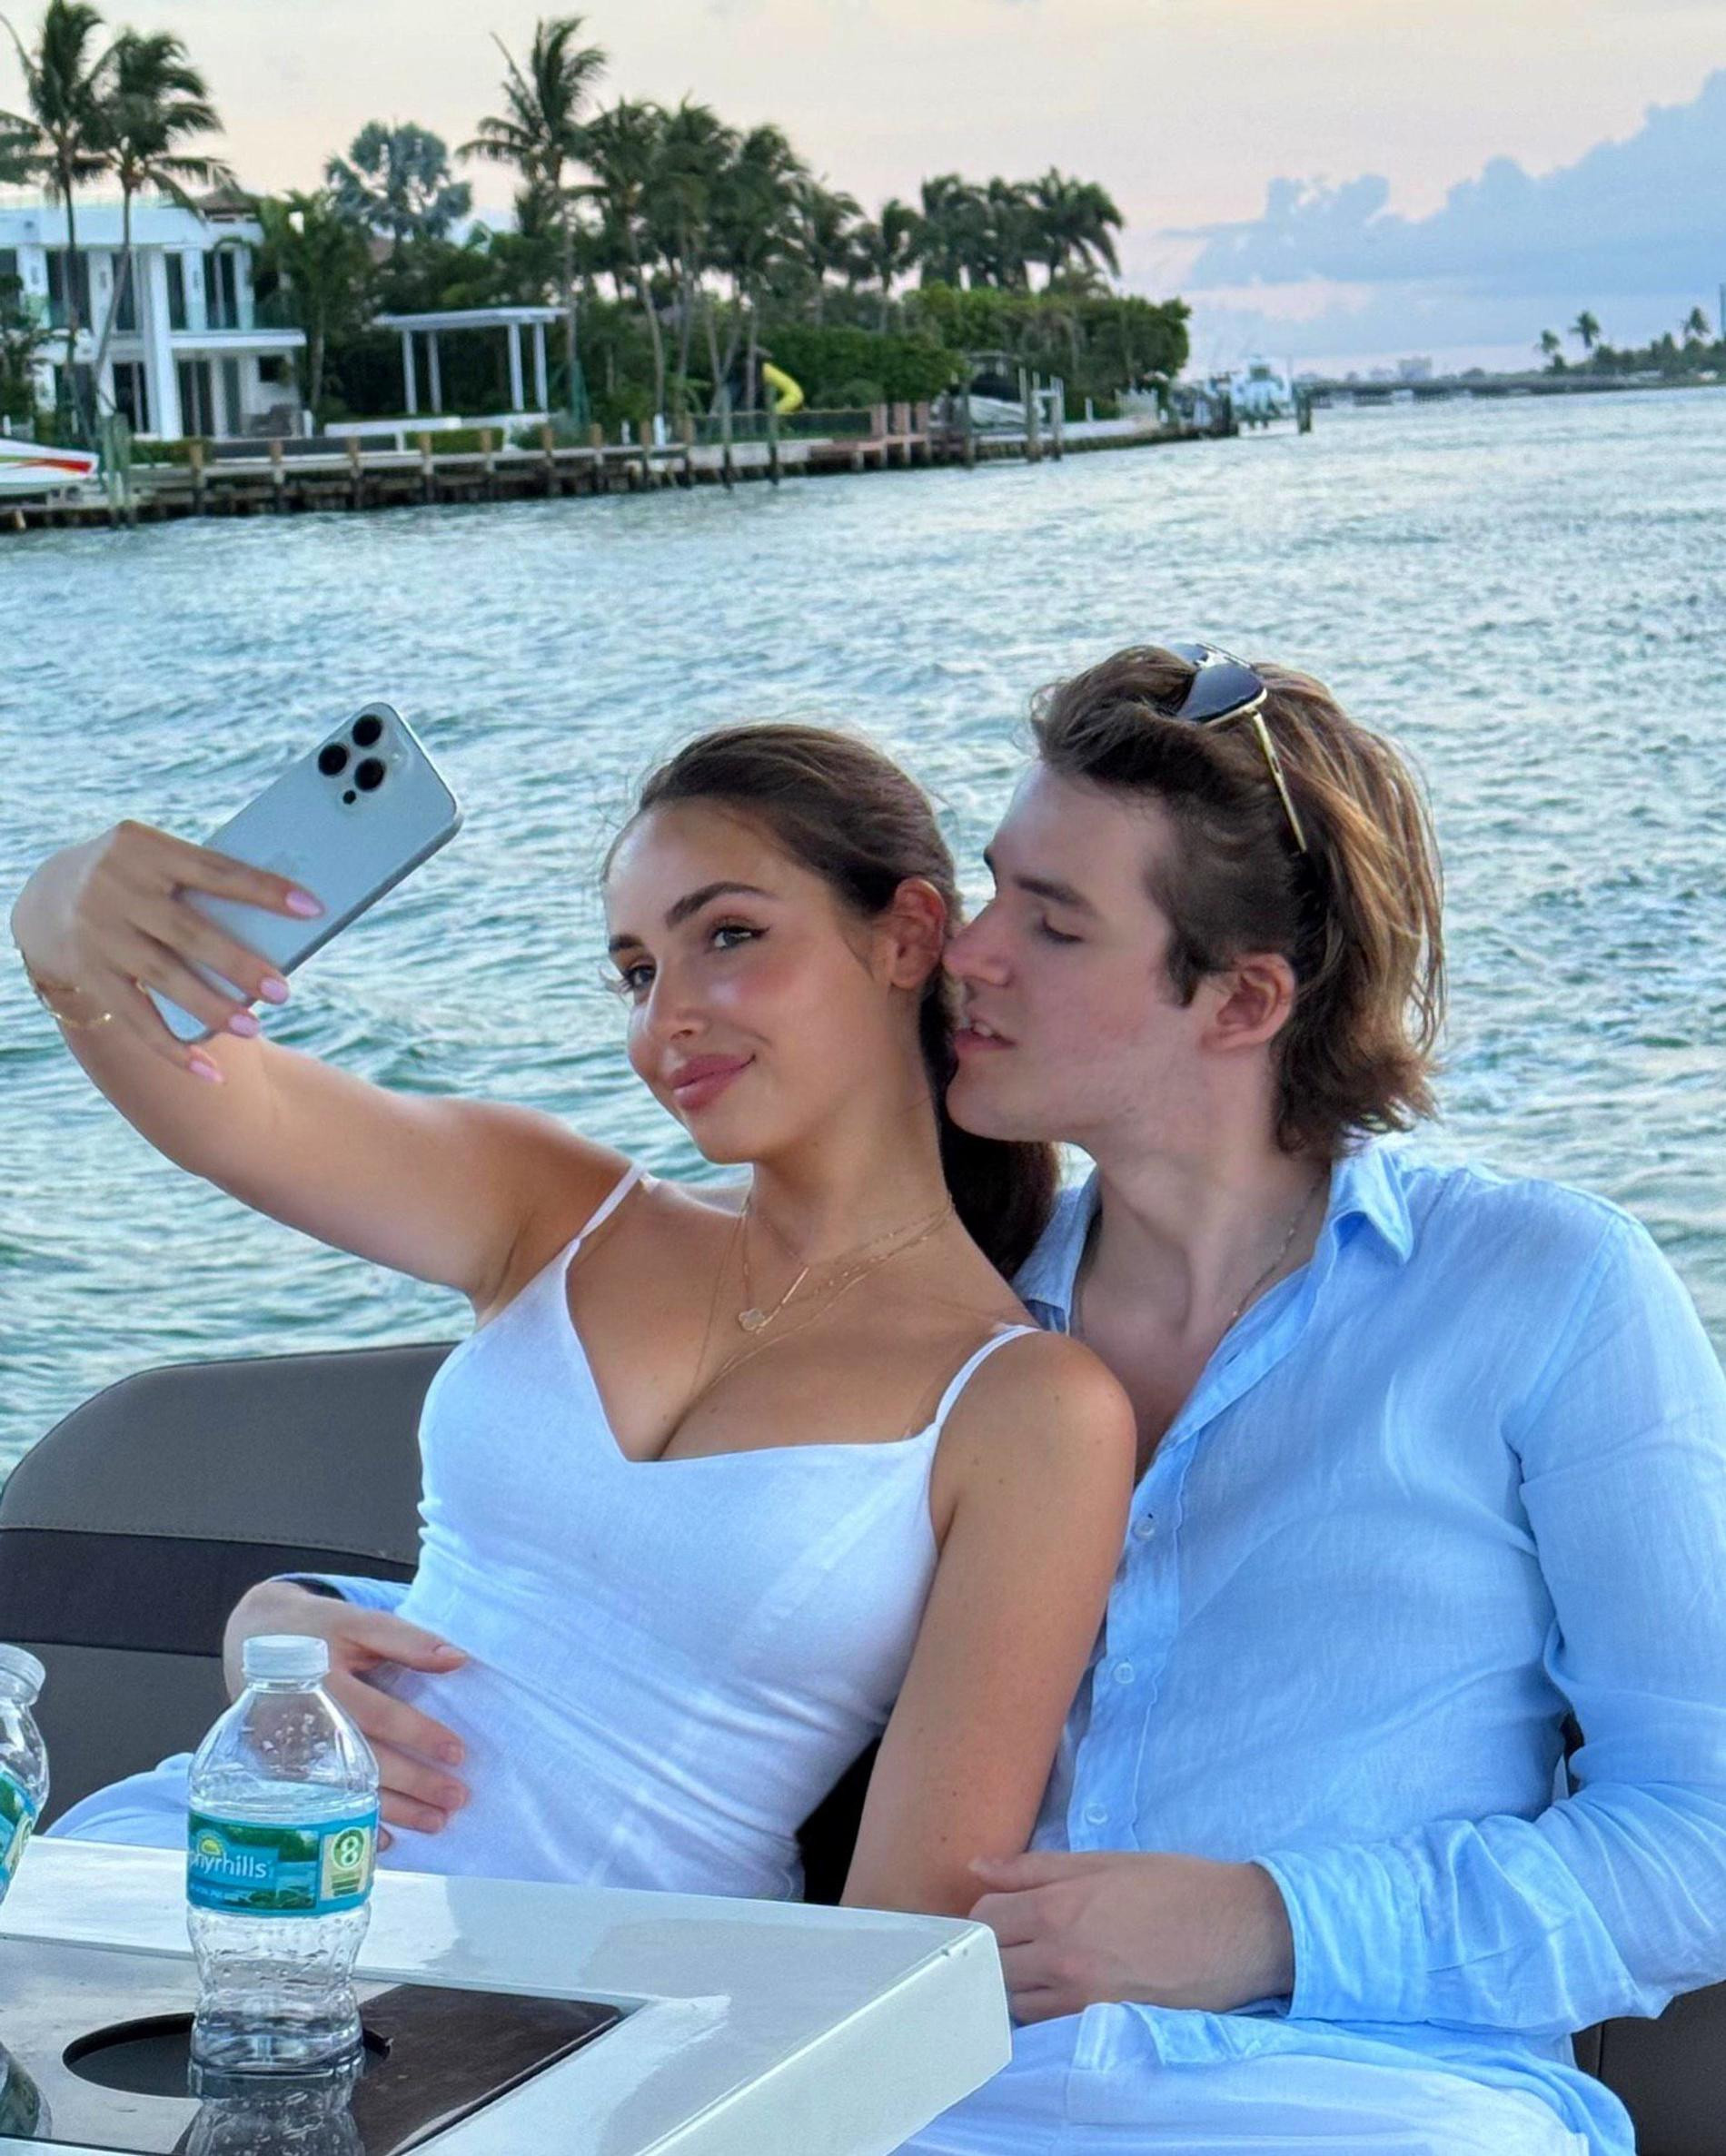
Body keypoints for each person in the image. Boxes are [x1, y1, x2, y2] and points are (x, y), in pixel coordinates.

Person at [11, 723, 1136, 1913]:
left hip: (576, 1990)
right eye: (640, 972)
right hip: (221, 1862)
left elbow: (912, 1931)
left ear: (905, 935)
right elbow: (218, 1105)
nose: (669, 1018)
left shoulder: (1030, 1409)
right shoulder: (558, 1210)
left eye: (730, 936)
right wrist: (59, 913)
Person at [887, 642, 1726, 2155]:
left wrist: (1270, 1920)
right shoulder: (953, 1323)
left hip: (1385, 2105)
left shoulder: (1549, 1289)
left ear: (1243, 999)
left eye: (1053, 923)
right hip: (948, 2102)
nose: (970, 952)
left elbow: (1704, 1840)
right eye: (994, 887)